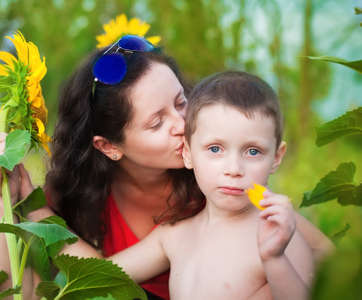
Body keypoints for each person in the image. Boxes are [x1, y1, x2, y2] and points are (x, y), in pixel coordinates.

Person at [0, 36, 333, 300]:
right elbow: (15, 286)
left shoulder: (223, 180)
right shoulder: (85, 195)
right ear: (109, 147)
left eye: (182, 101)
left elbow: (323, 254)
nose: (183, 123)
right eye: (156, 123)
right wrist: (11, 199)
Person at [107, 71, 314, 299]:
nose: (234, 169)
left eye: (253, 151)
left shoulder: (279, 238)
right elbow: (100, 275)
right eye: (215, 149)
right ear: (187, 153)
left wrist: (274, 259)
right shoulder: (173, 235)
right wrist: (59, 225)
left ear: (276, 157)